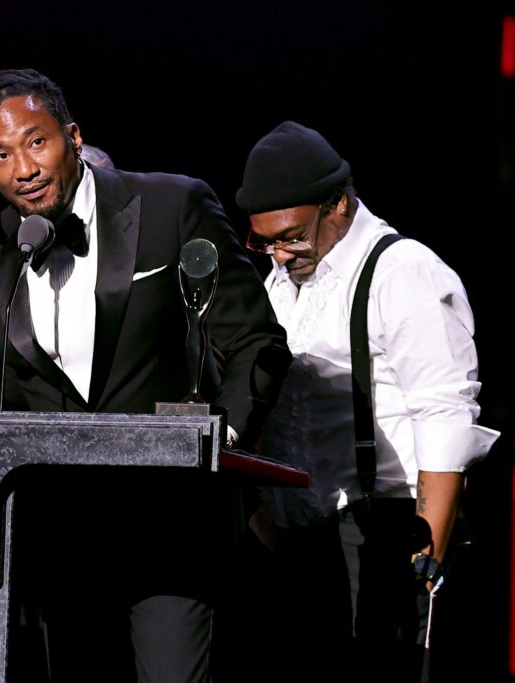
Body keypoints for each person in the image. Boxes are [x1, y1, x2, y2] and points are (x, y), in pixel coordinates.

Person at [0, 68, 290, 683]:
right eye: (2, 155)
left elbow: (256, 342)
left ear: (72, 136)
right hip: (61, 539)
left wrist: (220, 440)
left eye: (36, 142)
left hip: (172, 529)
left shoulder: (173, 206)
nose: (24, 169)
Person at [234, 121, 500, 682]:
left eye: (291, 236)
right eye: (265, 241)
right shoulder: (282, 281)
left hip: (383, 528)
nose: (278, 256)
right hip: (303, 534)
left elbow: (445, 416)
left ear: (338, 204)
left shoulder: (403, 273)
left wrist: (424, 558)